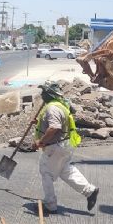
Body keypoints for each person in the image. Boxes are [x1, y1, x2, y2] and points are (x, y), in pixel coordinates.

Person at [30, 82, 99, 214]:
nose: (42, 95)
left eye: (44, 92)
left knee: (46, 172)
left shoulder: (52, 108)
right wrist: (38, 122)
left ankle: (49, 204)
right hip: (64, 145)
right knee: (66, 170)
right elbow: (53, 123)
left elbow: (55, 127)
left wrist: (40, 142)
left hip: (55, 146)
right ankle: (90, 191)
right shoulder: (59, 105)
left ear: (49, 94)